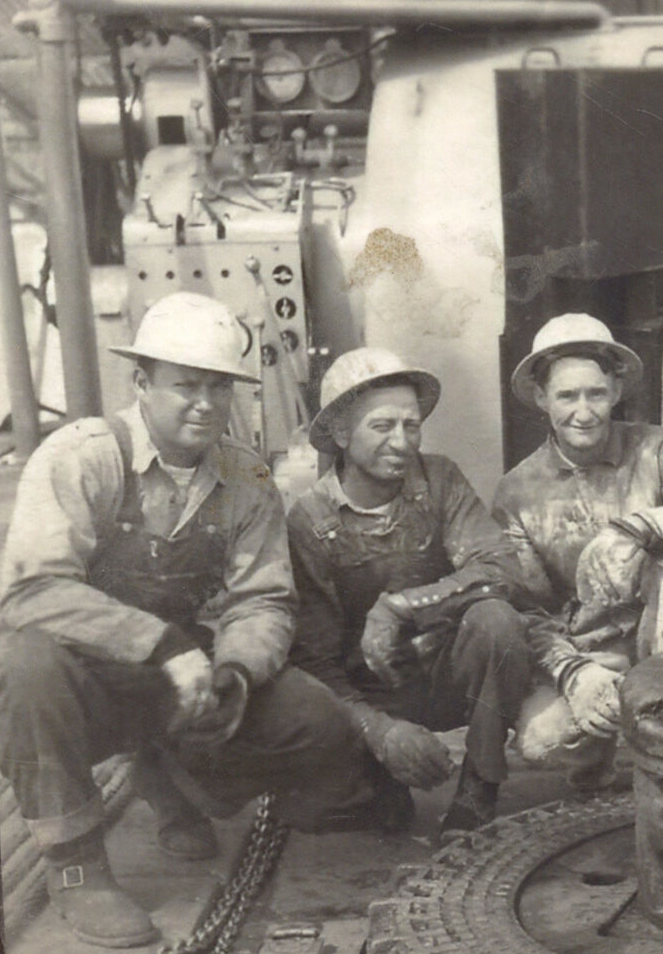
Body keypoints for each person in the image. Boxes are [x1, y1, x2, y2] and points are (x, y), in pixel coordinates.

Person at [0, 293, 365, 948]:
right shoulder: (81, 457)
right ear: (141, 382)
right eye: (184, 385)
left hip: (186, 678)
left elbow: (264, 599)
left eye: (217, 387)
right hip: (83, 679)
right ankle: (76, 863)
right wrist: (161, 644)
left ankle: (178, 778)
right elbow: (29, 591)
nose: (204, 402)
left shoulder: (247, 477)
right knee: (26, 663)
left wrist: (235, 670)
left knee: (321, 725)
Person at [288, 348, 532, 839]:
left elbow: (502, 567)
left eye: (411, 425)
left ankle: (478, 788)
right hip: (369, 693)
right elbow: (314, 662)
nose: (401, 442)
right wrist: (380, 732)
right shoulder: (309, 521)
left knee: (497, 620)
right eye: (382, 427)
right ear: (340, 433)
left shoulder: (439, 479)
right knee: (324, 815)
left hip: (445, 674)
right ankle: (380, 779)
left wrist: (401, 607)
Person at [491, 313, 663, 781]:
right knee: (542, 744)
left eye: (596, 394)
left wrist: (636, 529)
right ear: (541, 398)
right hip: (593, 652)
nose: (583, 412)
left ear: (616, 392)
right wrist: (575, 674)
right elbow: (524, 610)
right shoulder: (517, 492)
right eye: (567, 396)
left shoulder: (658, 450)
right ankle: (614, 752)